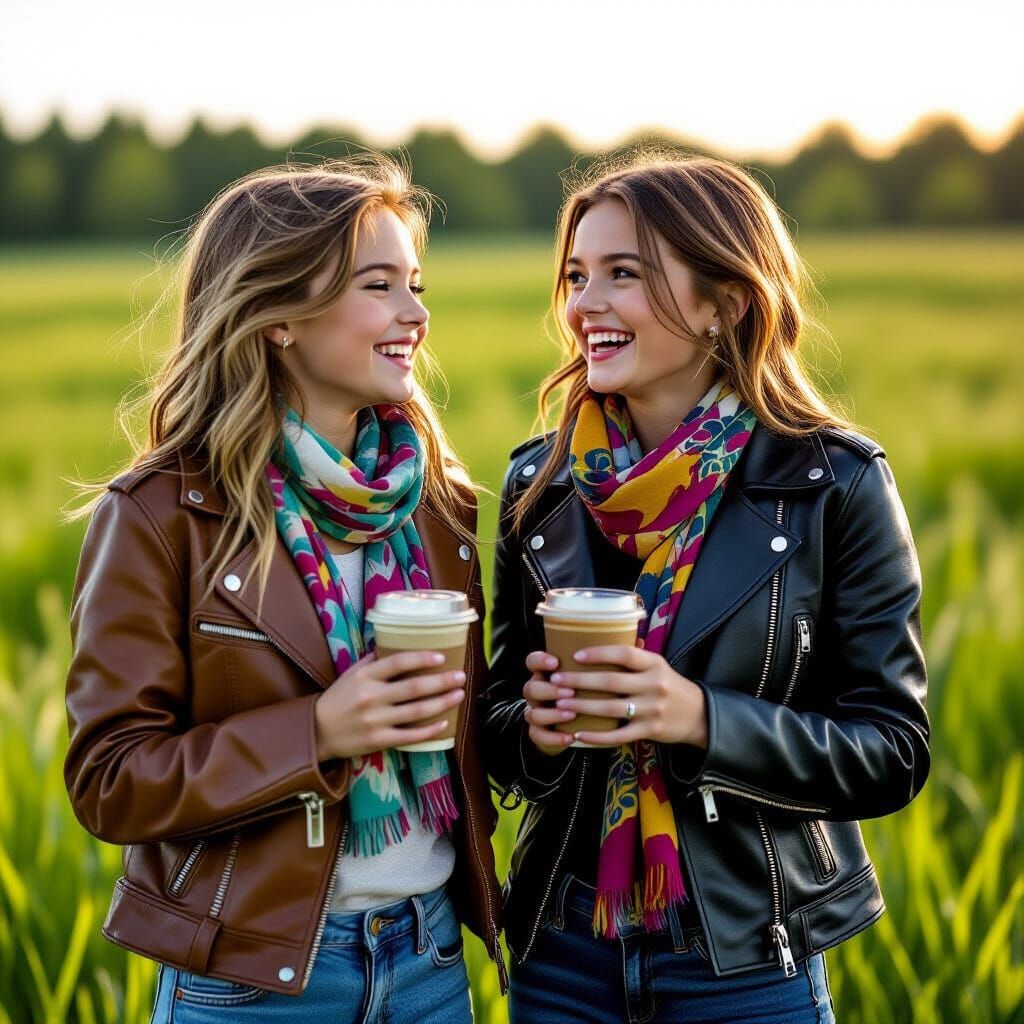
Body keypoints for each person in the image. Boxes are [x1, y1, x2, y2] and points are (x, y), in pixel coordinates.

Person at [484, 154, 929, 1023]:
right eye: (577, 276)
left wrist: (698, 720)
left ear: (725, 304)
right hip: (564, 950)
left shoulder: (833, 483)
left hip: (745, 958)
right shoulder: (539, 487)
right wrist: (532, 732)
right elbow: (496, 719)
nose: (584, 305)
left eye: (624, 275)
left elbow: (893, 748)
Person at [64, 158, 504, 1023]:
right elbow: (110, 778)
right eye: (380, 286)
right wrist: (318, 733)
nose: (416, 315)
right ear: (278, 319)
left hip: (429, 961)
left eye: (414, 285)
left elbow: (467, 732)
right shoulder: (162, 514)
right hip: (252, 983)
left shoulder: (435, 502)